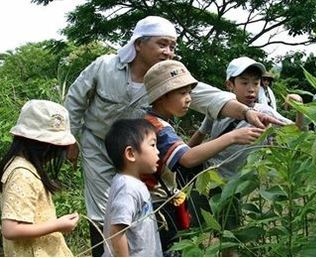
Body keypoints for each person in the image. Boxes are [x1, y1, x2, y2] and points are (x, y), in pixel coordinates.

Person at [64, 15, 283, 256]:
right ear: (139, 44)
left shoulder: (170, 77)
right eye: (162, 44)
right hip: (99, 149)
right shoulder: (105, 67)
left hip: (145, 155)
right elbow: (74, 101)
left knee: (142, 209)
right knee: (104, 211)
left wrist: (245, 113)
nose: (169, 51)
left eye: (172, 46)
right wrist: (70, 138)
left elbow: (212, 98)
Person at [142, 60, 265, 252]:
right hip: (156, 206)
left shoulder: (152, 122)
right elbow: (187, 158)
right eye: (182, 93)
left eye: (190, 92)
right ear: (162, 96)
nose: (189, 99)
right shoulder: (159, 127)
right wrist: (232, 137)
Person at [189, 56, 304, 179]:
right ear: (229, 85)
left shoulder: (265, 112)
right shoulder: (219, 108)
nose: (251, 89)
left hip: (243, 183)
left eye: (256, 83)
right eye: (244, 83)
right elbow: (201, 133)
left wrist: (300, 108)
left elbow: (296, 130)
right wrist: (182, 157)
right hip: (211, 175)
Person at [0, 100, 79, 257]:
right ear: (43, 146)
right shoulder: (22, 175)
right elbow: (11, 229)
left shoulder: (25, 167)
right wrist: (58, 225)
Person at [102, 119, 162, 257]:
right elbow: (117, 230)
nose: (157, 152)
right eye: (152, 145)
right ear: (131, 154)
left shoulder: (133, 183)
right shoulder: (127, 188)